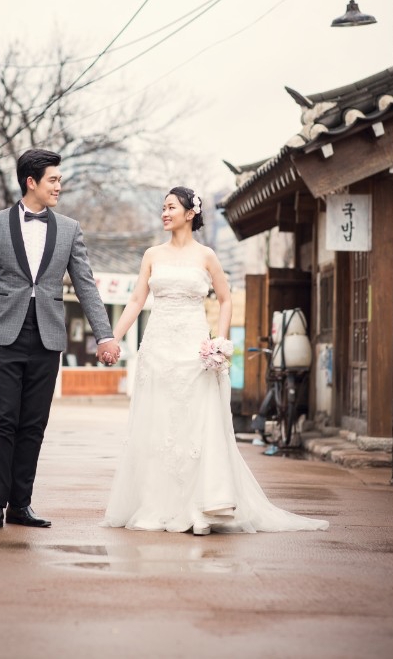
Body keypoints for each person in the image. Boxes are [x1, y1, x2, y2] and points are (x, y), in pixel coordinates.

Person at [101, 187, 329, 535]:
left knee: (196, 425)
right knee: (158, 425)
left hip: (195, 351)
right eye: (163, 208)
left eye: (171, 207)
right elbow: (135, 300)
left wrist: (219, 343)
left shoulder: (207, 255)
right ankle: (155, 504)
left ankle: (203, 506)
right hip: (158, 348)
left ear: (190, 213)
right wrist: (113, 338)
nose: (165, 213)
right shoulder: (151, 254)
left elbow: (225, 300)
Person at [0, 148, 120, 533]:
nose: (59, 186)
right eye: (53, 179)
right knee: (1, 420)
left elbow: (85, 284)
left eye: (60, 180)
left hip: (48, 336)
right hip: (3, 334)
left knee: (33, 423)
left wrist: (104, 335)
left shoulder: (69, 228)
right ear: (30, 182)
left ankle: (21, 504)